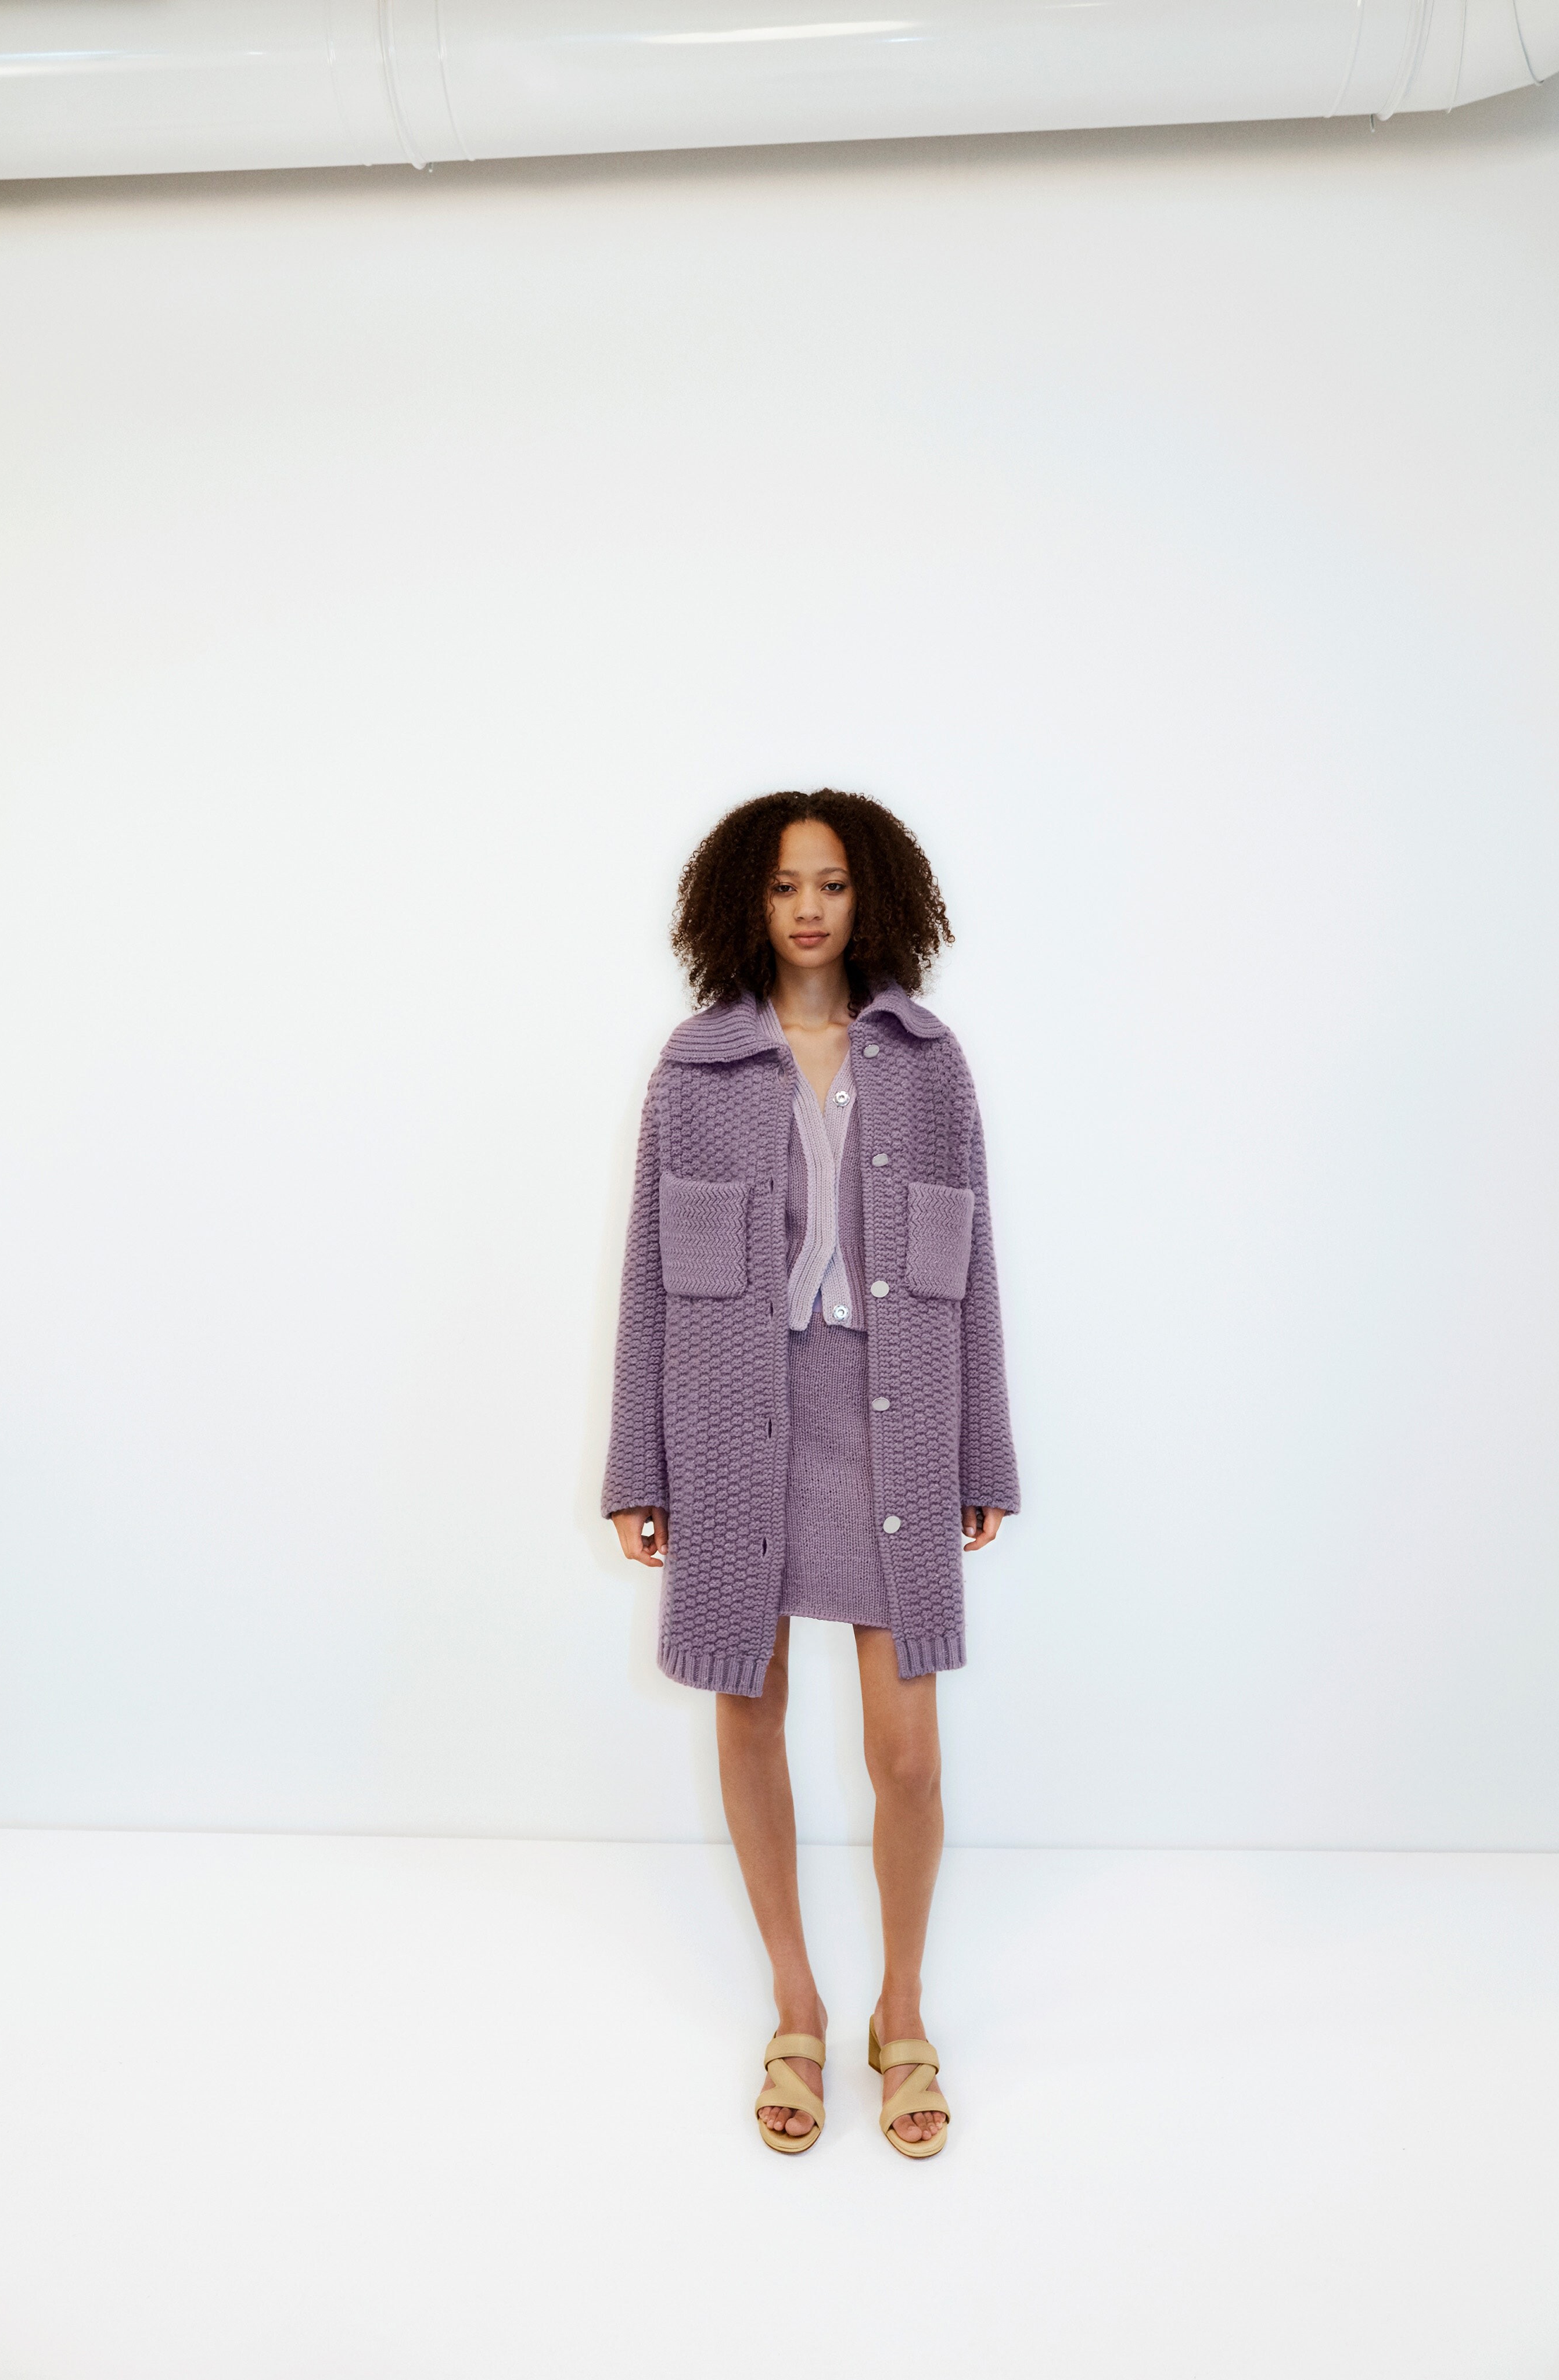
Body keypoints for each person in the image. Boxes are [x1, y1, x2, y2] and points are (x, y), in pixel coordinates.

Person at [602, 788, 1019, 2159]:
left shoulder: (929, 1065)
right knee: (751, 1709)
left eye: (831, 884)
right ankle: (796, 2002)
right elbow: (650, 1282)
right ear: (746, 901)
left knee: (906, 1755)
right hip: (736, 1421)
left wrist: (982, 1449)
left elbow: (973, 1270)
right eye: (785, 885)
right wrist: (638, 1466)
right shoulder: (694, 1071)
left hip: (893, 1422)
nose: (807, 909)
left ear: (868, 897)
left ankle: (902, 2012)